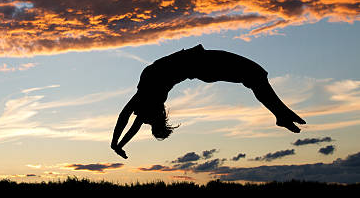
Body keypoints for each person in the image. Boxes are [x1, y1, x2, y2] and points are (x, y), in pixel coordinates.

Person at [110, 44, 306, 159]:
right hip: (202, 64)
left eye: (146, 122)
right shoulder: (150, 100)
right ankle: (280, 114)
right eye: (148, 122)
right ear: (156, 115)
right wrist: (118, 144)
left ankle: (281, 114)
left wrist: (117, 144)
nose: (142, 120)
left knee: (256, 75)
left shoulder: (143, 98)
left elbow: (125, 118)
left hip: (202, 62)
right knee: (255, 74)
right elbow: (130, 122)